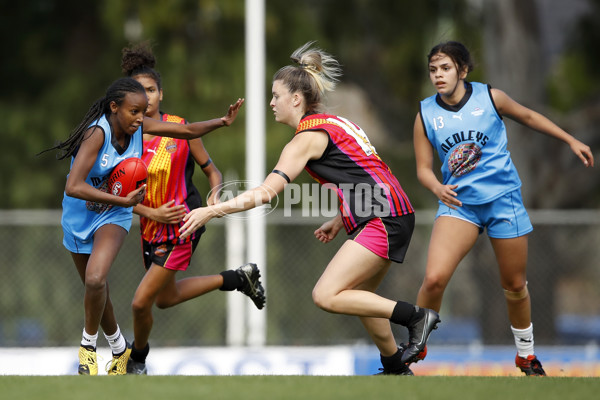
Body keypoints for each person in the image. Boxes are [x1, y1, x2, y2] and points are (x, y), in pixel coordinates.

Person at [179, 41, 441, 376]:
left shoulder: (306, 137)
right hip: (389, 211)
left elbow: (265, 192)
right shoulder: (336, 122)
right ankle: (394, 366)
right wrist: (340, 217)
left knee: (327, 294)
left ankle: (416, 318)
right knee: (358, 295)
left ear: (296, 99)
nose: (271, 103)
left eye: (276, 95)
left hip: (382, 216)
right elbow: (369, 173)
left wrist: (211, 211)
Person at [412, 41, 594, 376]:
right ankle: (416, 345)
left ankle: (526, 356)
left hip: (502, 200)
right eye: (433, 70)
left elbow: (527, 116)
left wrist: (570, 139)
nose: (438, 75)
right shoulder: (426, 113)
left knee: (514, 285)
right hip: (460, 206)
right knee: (435, 279)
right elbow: (423, 168)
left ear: (463, 71)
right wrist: (436, 186)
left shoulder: (490, 98)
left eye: (446, 68)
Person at [40, 76, 244, 375]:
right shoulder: (97, 134)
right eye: (134, 111)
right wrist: (121, 199)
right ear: (114, 107)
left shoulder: (140, 127)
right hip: (80, 214)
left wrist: (222, 122)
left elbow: (186, 131)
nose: (140, 117)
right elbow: (73, 186)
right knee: (95, 287)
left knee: (96, 279)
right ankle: (120, 348)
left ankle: (87, 348)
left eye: (143, 110)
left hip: (113, 215)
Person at [120, 43, 265, 375]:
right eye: (140, 91)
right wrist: (151, 214)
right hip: (151, 226)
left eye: (152, 89)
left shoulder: (181, 128)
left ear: (161, 93)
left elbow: (211, 170)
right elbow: (120, 195)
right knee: (164, 298)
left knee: (141, 302)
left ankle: (137, 360)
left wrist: (213, 199)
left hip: (183, 224)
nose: (148, 96)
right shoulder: (124, 139)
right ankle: (237, 278)